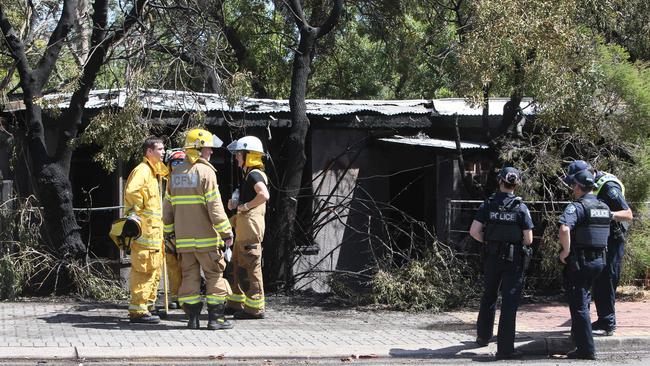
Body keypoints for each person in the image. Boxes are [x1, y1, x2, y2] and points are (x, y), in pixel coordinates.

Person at [163, 128, 234, 330]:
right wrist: (226, 232)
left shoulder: (175, 174)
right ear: (198, 148)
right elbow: (215, 207)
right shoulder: (206, 172)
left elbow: (167, 210)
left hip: (184, 242)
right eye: (208, 148)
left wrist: (169, 233)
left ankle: (192, 320)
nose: (211, 152)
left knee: (189, 279)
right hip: (208, 241)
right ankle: (215, 320)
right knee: (214, 277)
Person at [469, 167, 534, 360]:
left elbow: (474, 231)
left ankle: (482, 337)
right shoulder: (520, 207)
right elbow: (529, 239)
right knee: (509, 303)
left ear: (500, 181)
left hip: (491, 257)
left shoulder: (488, 205)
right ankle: (505, 349)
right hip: (513, 260)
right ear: (517, 184)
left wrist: (489, 242)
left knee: (489, 296)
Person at [564, 160, 634, 336]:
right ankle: (597, 321)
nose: (573, 186)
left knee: (607, 278)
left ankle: (608, 321)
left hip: (613, 239)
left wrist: (605, 215)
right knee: (596, 279)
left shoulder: (608, 186)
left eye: (574, 181)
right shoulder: (590, 185)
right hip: (598, 238)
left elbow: (628, 214)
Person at [559, 168, 611, 359]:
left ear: (579, 187)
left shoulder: (577, 206)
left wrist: (565, 251)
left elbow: (564, 228)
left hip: (582, 261)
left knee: (579, 305)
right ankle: (583, 345)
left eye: (574, 185)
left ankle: (586, 350)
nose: (573, 188)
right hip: (599, 261)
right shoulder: (604, 206)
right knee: (585, 300)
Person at [123, 136, 169, 324]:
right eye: (159, 149)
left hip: (154, 234)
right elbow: (132, 192)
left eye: (163, 148)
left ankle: (147, 306)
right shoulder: (142, 171)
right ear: (149, 152)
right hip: (145, 234)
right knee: (143, 271)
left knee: (154, 270)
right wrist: (139, 216)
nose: (163, 151)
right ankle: (139, 311)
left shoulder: (154, 173)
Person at [225, 136, 270, 319]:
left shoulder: (254, 174)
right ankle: (237, 303)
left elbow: (264, 195)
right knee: (236, 266)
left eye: (239, 154)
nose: (236, 157)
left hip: (250, 232)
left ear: (248, 155)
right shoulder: (249, 174)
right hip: (243, 231)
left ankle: (255, 309)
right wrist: (236, 204)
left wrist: (246, 206)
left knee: (251, 269)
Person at [162, 150, 186, 310]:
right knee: (172, 265)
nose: (177, 166)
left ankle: (187, 296)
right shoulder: (165, 180)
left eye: (180, 163)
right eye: (174, 163)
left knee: (187, 265)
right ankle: (176, 296)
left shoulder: (188, 181)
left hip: (185, 230)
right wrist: (168, 232)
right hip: (169, 231)